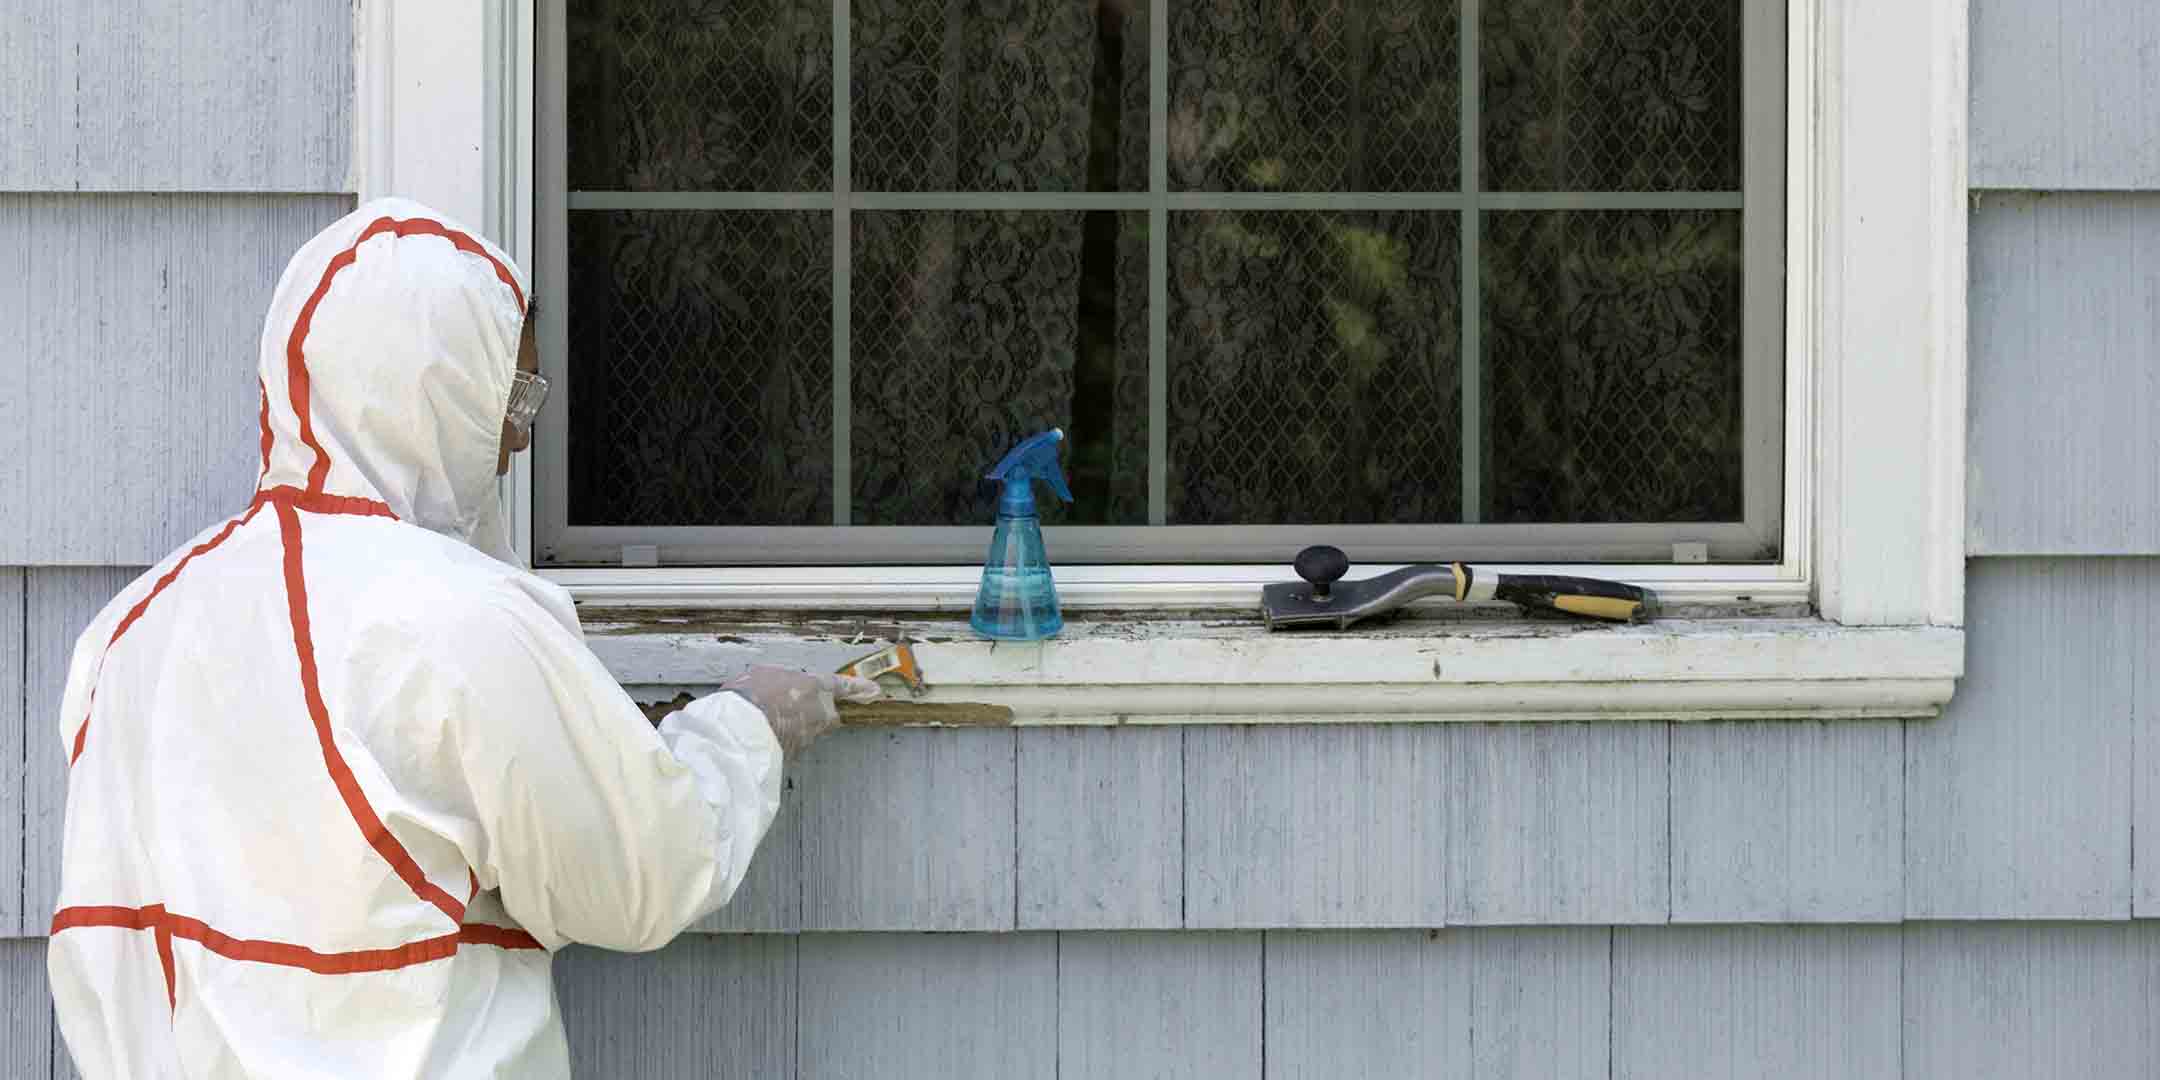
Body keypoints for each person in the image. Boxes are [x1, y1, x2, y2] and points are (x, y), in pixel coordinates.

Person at [46, 197, 879, 1077]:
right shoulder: (456, 624)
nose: (518, 443)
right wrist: (747, 725)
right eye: (510, 397)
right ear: (430, 390)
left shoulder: (130, 632)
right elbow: (647, 871)